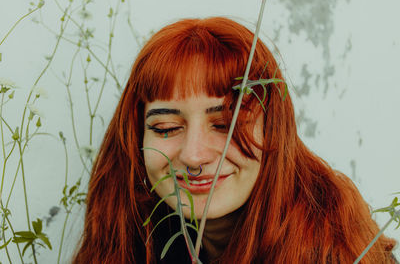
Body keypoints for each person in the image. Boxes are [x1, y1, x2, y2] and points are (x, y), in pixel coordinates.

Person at [72, 17, 397, 264]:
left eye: (225, 124)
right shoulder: (127, 236)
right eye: (167, 127)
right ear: (135, 139)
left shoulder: (338, 248)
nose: (195, 156)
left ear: (274, 128)